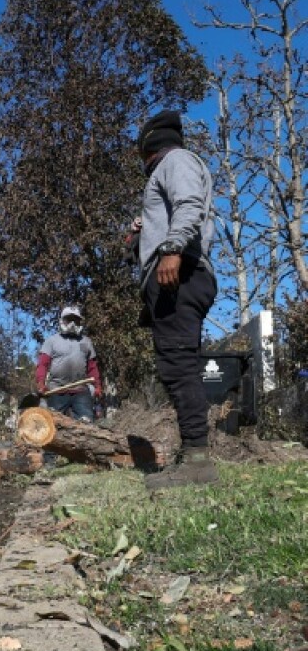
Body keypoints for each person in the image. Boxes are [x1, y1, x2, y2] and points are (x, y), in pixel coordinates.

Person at [132, 110, 218, 489]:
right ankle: (193, 454)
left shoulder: (175, 160)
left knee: (179, 366)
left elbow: (188, 204)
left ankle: (198, 463)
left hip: (180, 273)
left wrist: (170, 247)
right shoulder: (169, 168)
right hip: (176, 274)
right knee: (176, 364)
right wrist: (143, 234)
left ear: (150, 146)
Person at [36, 306, 103, 424]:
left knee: (86, 423)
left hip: (81, 390)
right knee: (52, 424)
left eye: (75, 320)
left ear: (79, 322)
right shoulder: (51, 341)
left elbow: (92, 367)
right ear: (62, 321)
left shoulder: (86, 342)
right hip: (57, 390)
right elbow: (42, 364)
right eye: (69, 319)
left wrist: (97, 386)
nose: (72, 323)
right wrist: (41, 383)